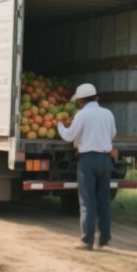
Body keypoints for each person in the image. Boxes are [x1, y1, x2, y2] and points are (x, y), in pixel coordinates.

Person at [56, 83, 117, 251]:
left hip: (88, 161)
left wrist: (60, 125)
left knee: (87, 202)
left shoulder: (82, 115)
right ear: (96, 97)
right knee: (104, 201)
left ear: (81, 100)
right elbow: (112, 134)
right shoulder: (108, 113)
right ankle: (104, 239)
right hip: (105, 160)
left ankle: (87, 240)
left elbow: (69, 136)